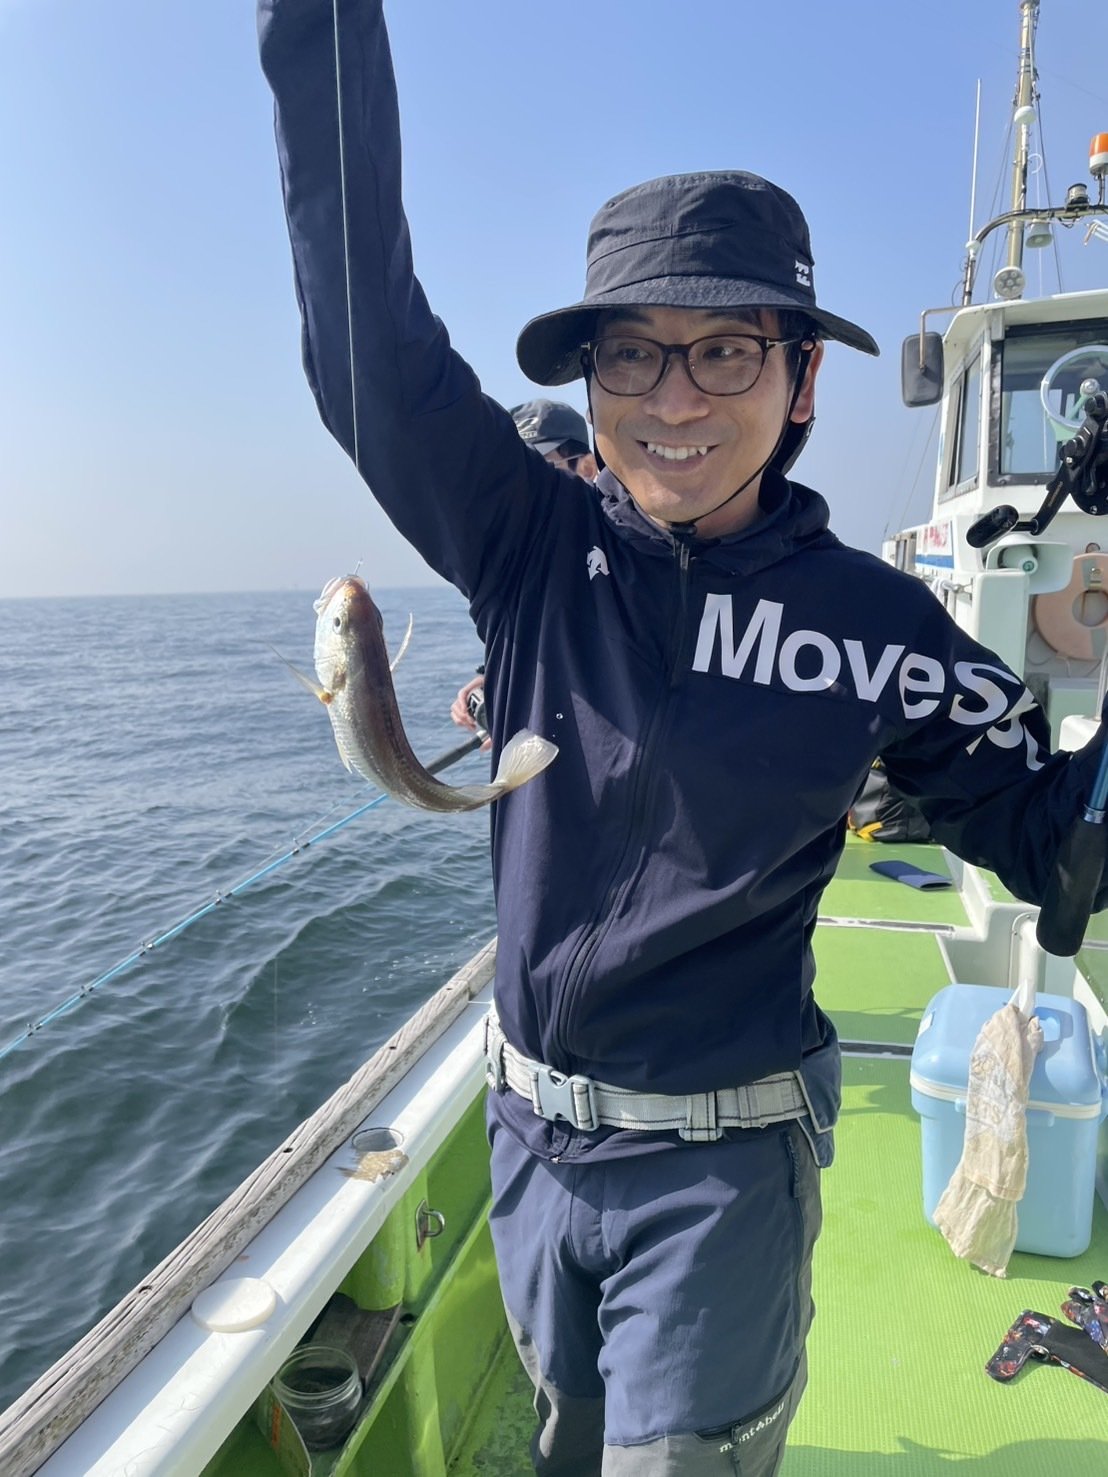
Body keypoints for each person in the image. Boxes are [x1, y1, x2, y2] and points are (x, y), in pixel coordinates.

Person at [258, 5, 1107, 1472]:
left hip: (722, 1171)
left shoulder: (879, 626)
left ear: (804, 381)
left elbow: (1052, 839)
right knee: (562, 1439)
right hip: (527, 1142)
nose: (672, 403)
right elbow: (364, 351)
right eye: (630, 357)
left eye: (723, 351)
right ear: (588, 383)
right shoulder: (526, 541)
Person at [451, 399, 598, 746]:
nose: (524, 484)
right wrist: (495, 680)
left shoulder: (622, 548)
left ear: (588, 467)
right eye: (512, 471)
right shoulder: (515, 554)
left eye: (539, 467)